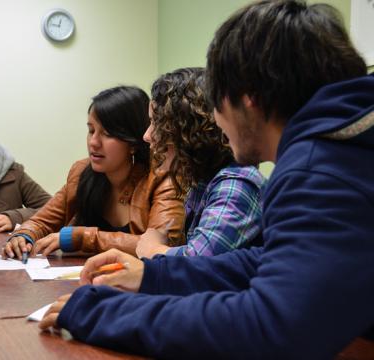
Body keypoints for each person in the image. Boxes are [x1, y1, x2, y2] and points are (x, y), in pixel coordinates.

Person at [39, 1, 374, 358]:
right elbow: (267, 260)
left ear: (249, 98)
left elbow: (270, 327)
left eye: (216, 100)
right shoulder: (342, 151)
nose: (214, 118)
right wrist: (153, 277)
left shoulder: (317, 170)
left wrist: (106, 313)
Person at [2, 86, 184, 259]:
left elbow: (161, 246)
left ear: (133, 142)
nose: (93, 142)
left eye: (107, 134)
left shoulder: (163, 178)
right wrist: (24, 236)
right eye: (91, 130)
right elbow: (41, 221)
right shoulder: (81, 171)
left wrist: (81, 238)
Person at [136, 67, 264, 259]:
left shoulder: (235, 183)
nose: (147, 136)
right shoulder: (203, 180)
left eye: (156, 123)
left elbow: (198, 262)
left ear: (185, 129)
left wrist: (152, 248)